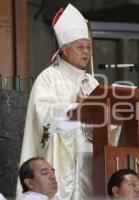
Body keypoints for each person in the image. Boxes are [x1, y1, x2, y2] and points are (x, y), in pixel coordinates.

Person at [17, 4, 99, 200]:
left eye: (88, 47)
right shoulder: (48, 78)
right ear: (64, 49)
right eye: (80, 47)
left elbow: (106, 126)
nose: (86, 52)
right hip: (59, 167)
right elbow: (43, 116)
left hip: (88, 169)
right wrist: (77, 109)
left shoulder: (93, 83)